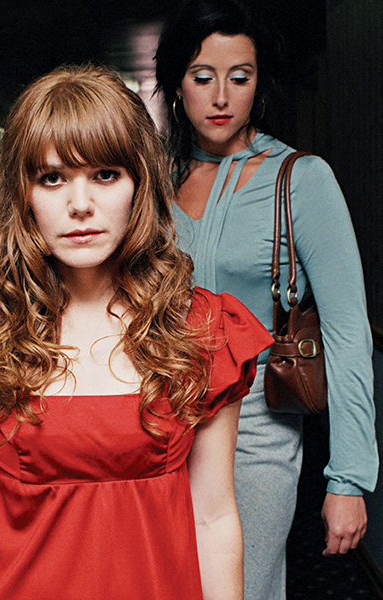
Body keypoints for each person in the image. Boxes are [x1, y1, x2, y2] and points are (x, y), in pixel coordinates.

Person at [0, 64, 273, 600]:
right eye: (52, 178)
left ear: (139, 185)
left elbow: (213, 518)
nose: (80, 205)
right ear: (23, 194)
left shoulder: (202, 330)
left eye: (105, 174)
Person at [155, 1, 379, 599]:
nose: (220, 96)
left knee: (242, 586)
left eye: (240, 77)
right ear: (177, 86)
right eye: (202, 77)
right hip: (162, 413)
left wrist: (349, 479)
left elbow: (347, 331)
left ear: (259, 85)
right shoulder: (155, 184)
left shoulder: (301, 178)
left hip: (258, 420)